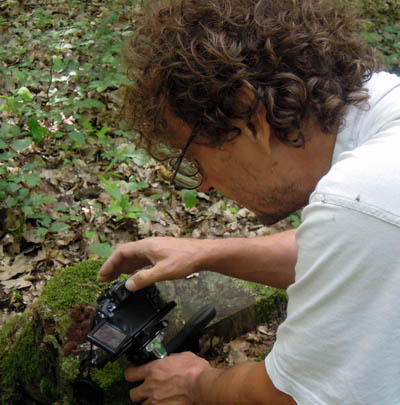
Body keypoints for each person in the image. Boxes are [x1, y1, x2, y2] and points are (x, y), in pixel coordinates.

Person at [98, 0, 400, 403]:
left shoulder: (361, 198)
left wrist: (195, 383)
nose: (202, 186)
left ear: (249, 118)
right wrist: (206, 253)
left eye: (195, 163)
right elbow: (343, 253)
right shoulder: (381, 107)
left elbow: (289, 396)